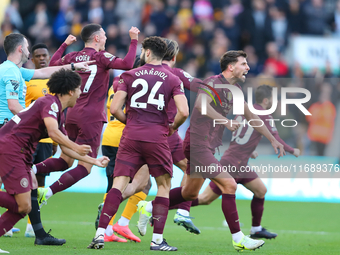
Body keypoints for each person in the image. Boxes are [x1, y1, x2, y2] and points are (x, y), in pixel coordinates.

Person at [137, 50, 285, 251]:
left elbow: (252, 117)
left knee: (189, 193)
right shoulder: (213, 84)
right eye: (243, 63)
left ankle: (149, 206)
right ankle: (238, 238)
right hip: (197, 144)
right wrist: (225, 120)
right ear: (231, 67)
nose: (248, 67)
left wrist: (272, 139)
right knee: (229, 185)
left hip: (207, 146)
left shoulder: (235, 90)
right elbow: (202, 106)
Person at [27, 24, 139, 243]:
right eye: (104, 35)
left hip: (71, 113)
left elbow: (51, 65)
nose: (106, 37)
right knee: (85, 166)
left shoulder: (75, 56)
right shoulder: (101, 56)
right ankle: (46, 193)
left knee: (65, 160)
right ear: (97, 38)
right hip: (92, 118)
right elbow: (126, 64)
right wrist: (134, 40)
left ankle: (31, 168)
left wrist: (63, 45)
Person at [87, 36, 189, 251]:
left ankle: (99, 234)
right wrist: (171, 127)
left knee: (118, 185)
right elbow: (184, 112)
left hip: (131, 136)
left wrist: (130, 121)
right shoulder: (172, 78)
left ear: (148, 53)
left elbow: (115, 109)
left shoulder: (129, 75)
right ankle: (157, 241)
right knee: (163, 186)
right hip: (157, 137)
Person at [0, 69, 110, 253]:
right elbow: (53, 133)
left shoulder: (56, 109)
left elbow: (64, 147)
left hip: (16, 150)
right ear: (70, 91)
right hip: (12, 149)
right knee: (24, 205)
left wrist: (93, 160)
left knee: (25, 203)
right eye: (79, 89)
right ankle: (40, 235)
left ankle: (40, 235)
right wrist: (77, 148)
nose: (80, 93)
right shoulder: (49, 103)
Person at [0, 33, 93, 244]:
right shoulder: (11, 72)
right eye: (27, 46)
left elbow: (43, 71)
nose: (28, 48)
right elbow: (14, 105)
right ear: (20, 50)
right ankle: (37, 233)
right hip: (8, 131)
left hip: (12, 133)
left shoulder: (13, 70)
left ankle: (39, 234)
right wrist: (35, 119)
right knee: (21, 196)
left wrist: (72, 68)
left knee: (29, 187)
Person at [189, 85, 301, 239]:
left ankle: (256, 229)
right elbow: (276, 138)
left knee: (260, 191)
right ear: (267, 100)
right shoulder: (265, 115)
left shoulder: (244, 112)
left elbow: (239, 135)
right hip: (231, 164)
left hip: (241, 164)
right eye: (273, 101)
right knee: (205, 199)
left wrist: (249, 150)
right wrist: (292, 150)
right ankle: (164, 206)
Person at [95, 57, 152, 243]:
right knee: (139, 183)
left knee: (115, 183)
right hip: (125, 138)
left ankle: (113, 227)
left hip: (109, 136)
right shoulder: (136, 84)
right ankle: (116, 222)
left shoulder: (117, 83)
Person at [24, 43, 57, 238]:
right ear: (32, 59)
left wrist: (55, 140)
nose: (42, 58)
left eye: (45, 55)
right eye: (38, 56)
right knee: (19, 178)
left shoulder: (54, 81)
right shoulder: (26, 79)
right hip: (27, 138)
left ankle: (31, 224)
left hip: (45, 139)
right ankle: (11, 223)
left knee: (41, 179)